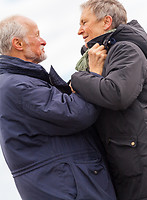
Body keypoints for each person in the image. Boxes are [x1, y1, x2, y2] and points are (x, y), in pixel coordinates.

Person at [0, 15, 117, 200]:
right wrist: (94, 75)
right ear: (18, 43)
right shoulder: (17, 86)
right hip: (70, 189)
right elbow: (76, 114)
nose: (43, 40)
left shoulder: (21, 82)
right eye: (36, 35)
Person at [71, 0, 147, 200]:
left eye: (84, 22)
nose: (79, 30)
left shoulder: (125, 49)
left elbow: (117, 94)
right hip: (130, 169)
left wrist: (79, 79)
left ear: (106, 22)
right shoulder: (104, 56)